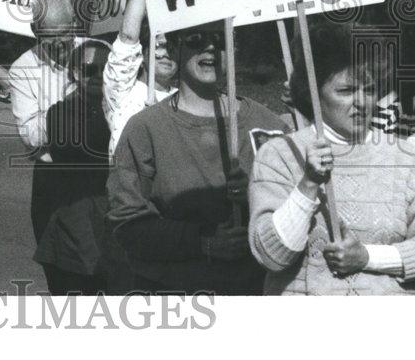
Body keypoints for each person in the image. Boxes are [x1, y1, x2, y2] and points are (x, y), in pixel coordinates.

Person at [248, 16, 415, 295]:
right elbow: (271, 256)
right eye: (346, 90)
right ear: (313, 92)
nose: (362, 102)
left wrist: (367, 257)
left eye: (370, 89)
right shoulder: (279, 155)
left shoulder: (408, 157)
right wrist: (307, 185)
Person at [106, 21, 288, 295]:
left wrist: (256, 195)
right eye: (196, 38)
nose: (211, 47)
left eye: (221, 39)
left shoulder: (269, 125)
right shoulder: (145, 129)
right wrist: (203, 242)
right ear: (176, 48)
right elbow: (127, 223)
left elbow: (297, 216)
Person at [7, 0, 91, 248]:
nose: (57, 44)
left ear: (75, 22)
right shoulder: (22, 69)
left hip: (98, 174)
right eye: (48, 36)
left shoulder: (96, 53)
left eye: (63, 34)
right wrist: (72, 104)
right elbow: (30, 135)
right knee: (60, 272)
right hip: (54, 179)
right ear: (34, 30)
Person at [35, 39, 114, 294]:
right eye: (91, 69)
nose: (99, 76)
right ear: (76, 73)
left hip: (115, 229)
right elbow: (81, 144)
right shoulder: (59, 112)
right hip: (77, 234)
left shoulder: (125, 108)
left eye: (107, 68)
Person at [102, 0, 178, 158]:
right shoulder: (122, 91)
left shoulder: (185, 99)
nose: (166, 54)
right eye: (159, 46)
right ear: (142, 52)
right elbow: (128, 36)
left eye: (173, 47)